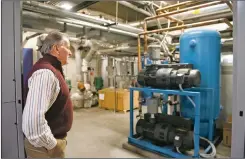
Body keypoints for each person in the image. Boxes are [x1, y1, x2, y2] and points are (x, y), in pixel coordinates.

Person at [22, 31, 73, 158]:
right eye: (68, 47)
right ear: (56, 48)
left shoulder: (52, 69)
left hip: (47, 144)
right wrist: (52, 145)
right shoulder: (45, 73)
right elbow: (33, 122)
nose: (71, 52)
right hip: (43, 148)